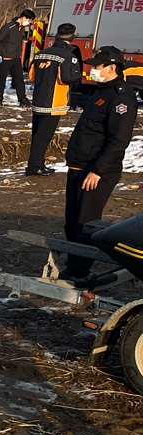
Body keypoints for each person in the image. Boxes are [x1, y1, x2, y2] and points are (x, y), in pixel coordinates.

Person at [60, 46, 138, 281]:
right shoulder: (101, 92)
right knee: (71, 222)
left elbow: (118, 141)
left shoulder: (121, 97)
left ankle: (79, 270)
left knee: (85, 222)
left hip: (95, 172)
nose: (93, 70)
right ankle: (73, 264)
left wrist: (97, 171)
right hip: (79, 167)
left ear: (112, 68)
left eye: (97, 66)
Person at [24, 23, 82, 176]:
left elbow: (31, 77)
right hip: (54, 102)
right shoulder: (68, 56)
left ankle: (38, 163)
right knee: (44, 137)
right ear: (72, 37)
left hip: (38, 100)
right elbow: (68, 78)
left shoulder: (41, 53)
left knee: (37, 135)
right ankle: (34, 167)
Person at [0, 8, 36, 107]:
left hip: (16, 58)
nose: (29, 22)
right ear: (24, 18)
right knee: (1, 80)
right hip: (5, 58)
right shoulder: (9, 27)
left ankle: (22, 99)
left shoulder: (21, 29)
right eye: (29, 20)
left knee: (19, 80)